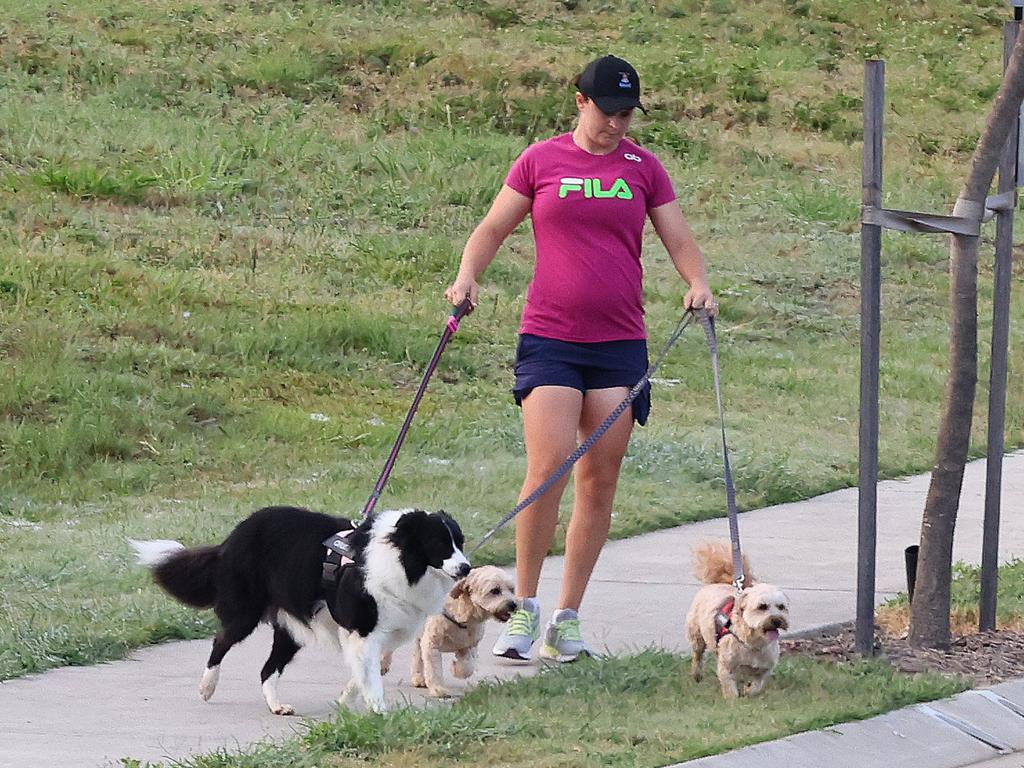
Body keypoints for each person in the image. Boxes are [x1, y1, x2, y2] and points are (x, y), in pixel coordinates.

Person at [444, 54, 717, 663]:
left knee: (599, 481)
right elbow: (492, 228)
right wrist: (468, 278)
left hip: (620, 343)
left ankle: (567, 619)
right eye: (609, 112)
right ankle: (524, 612)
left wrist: (697, 281)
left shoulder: (643, 169)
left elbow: (678, 238)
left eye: (628, 114)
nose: (619, 125)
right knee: (548, 471)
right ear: (580, 102)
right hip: (551, 338)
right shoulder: (542, 161)